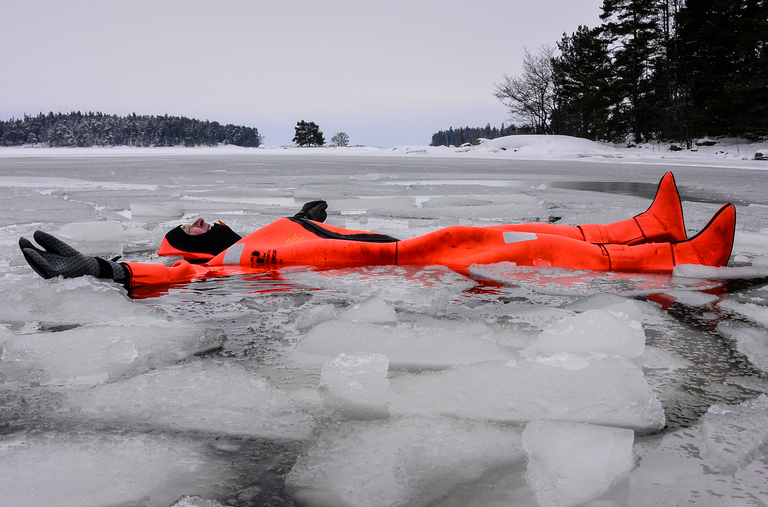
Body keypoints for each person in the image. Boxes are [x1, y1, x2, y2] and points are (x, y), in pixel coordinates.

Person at [19, 172, 736, 293]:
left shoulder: (264, 232)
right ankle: (671, 257)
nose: (200, 220)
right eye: (190, 227)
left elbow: (307, 226)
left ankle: (644, 227)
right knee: (528, 247)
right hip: (405, 264)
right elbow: (177, 274)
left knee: (505, 228)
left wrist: (309, 213)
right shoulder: (226, 265)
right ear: (191, 245)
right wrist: (109, 270)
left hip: (410, 245)